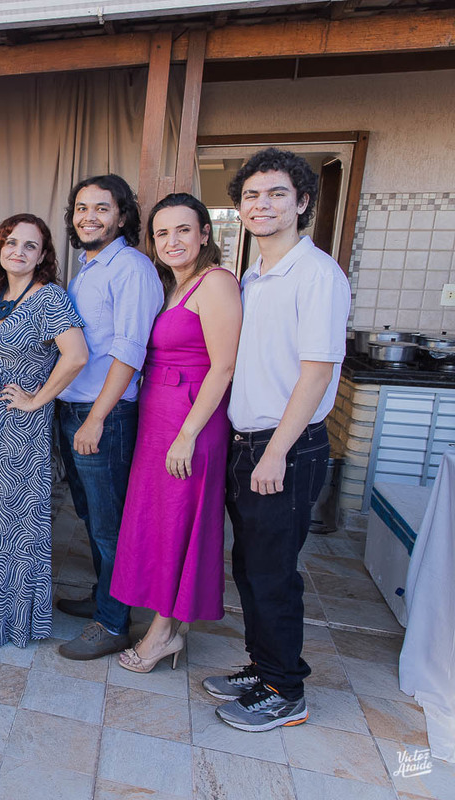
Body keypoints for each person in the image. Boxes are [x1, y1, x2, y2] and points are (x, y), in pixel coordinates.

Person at [204, 148, 350, 732]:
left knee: (272, 574)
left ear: (303, 203)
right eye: (252, 196)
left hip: (283, 447)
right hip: (251, 443)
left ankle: (286, 692)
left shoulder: (316, 274)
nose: (262, 205)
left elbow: (316, 374)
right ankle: (264, 667)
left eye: (277, 195)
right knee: (252, 566)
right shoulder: (257, 273)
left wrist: (275, 452)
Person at [110, 193, 242, 673]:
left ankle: (163, 633)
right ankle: (171, 624)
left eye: (183, 230)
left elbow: (223, 365)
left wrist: (187, 434)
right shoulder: (173, 285)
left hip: (190, 421)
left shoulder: (216, 283)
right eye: (162, 233)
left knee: (178, 525)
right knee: (159, 522)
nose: (172, 241)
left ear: (205, 233)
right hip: (158, 417)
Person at [0, 214, 88, 648]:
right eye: (11, 242)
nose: (19, 251)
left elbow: (76, 355)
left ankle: (11, 618)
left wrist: (37, 399)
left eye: (30, 246)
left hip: (20, 427)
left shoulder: (50, 298)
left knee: (11, 523)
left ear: (43, 256)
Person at [55, 174, 163, 661]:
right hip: (73, 405)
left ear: (122, 216)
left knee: (109, 523)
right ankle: (106, 598)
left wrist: (97, 418)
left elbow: (129, 350)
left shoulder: (132, 267)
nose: (89, 216)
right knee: (90, 514)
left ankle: (114, 623)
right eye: (81, 207)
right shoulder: (88, 267)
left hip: (106, 413)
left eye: (102, 208)